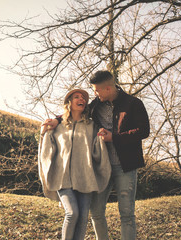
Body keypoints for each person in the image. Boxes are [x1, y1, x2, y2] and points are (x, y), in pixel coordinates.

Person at [43, 71, 150, 240]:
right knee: (96, 212)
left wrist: (114, 137)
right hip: (102, 167)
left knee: (127, 214)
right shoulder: (96, 105)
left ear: (107, 88)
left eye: (96, 90)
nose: (94, 94)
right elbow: (75, 112)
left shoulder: (133, 103)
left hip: (126, 166)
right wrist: (57, 119)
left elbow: (144, 131)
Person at [39, 89, 111, 240]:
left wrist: (101, 139)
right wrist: (43, 132)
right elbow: (46, 148)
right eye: (77, 97)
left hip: (85, 177)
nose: (81, 99)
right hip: (62, 178)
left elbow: (97, 150)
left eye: (84, 98)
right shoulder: (57, 125)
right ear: (69, 102)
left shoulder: (91, 126)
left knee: (83, 217)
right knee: (72, 213)